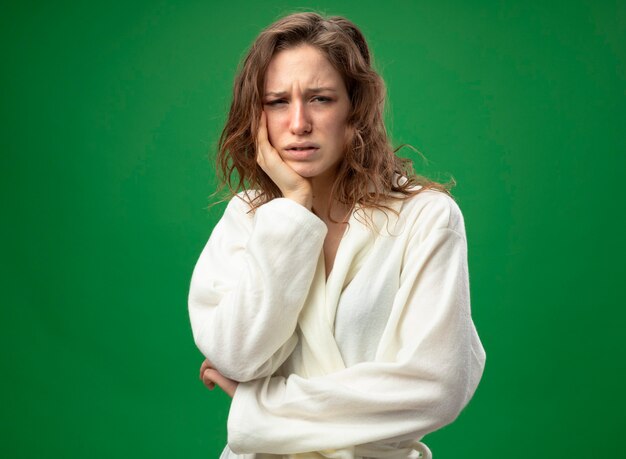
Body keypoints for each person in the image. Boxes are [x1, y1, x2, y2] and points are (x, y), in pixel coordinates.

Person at [188, 12, 486, 459]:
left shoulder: (426, 217)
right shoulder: (248, 217)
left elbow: (436, 384)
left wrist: (261, 409)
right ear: (257, 116)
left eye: (321, 99)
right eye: (277, 102)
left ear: (355, 107)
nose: (299, 123)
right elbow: (237, 354)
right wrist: (291, 208)